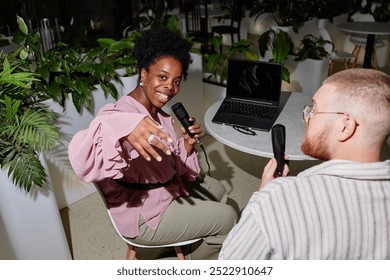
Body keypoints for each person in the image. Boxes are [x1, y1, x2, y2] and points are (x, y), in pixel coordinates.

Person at [68, 26, 237, 259]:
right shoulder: (120, 114)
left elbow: (170, 163)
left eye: (176, 81)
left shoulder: (161, 115)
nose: (170, 87)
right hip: (144, 212)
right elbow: (83, 151)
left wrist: (187, 145)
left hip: (164, 188)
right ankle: (178, 261)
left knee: (218, 190)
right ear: (144, 74)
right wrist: (123, 128)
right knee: (228, 218)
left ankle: (189, 241)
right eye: (163, 77)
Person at [219, 68, 390, 260]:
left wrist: (262, 195)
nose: (306, 118)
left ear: (345, 126)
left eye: (314, 110)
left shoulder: (277, 199)